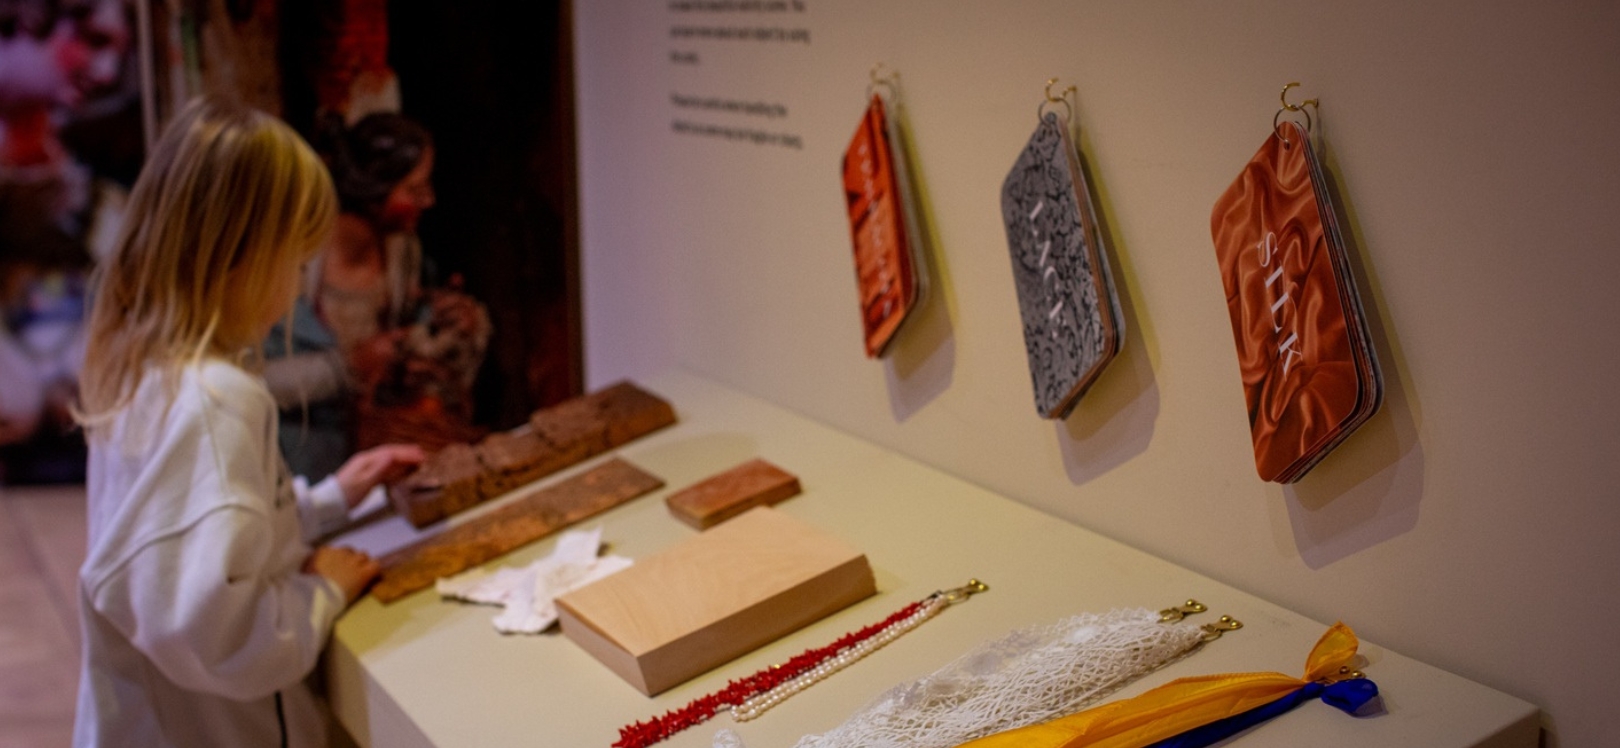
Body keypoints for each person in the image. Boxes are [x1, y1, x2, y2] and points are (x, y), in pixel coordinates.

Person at [72, 95, 424, 747]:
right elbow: (218, 635)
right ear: (237, 255)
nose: (296, 288)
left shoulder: (144, 368)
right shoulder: (216, 401)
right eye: (293, 262)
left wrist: (328, 499)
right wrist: (322, 592)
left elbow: (191, 541)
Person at [264, 110, 490, 481]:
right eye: (414, 190)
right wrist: (346, 367)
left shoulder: (402, 254)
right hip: (308, 470)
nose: (428, 200)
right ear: (373, 192)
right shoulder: (290, 270)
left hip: (381, 455)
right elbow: (254, 385)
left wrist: (443, 323)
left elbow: (404, 337)